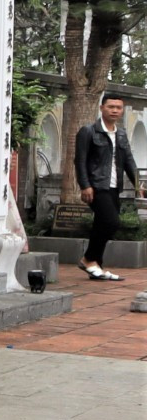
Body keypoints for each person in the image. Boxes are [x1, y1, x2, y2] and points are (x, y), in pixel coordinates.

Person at [73, 90, 138, 281]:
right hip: (96, 186)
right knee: (111, 222)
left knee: (102, 223)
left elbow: (129, 161)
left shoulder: (121, 134)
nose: (115, 110)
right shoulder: (88, 131)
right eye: (111, 106)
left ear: (122, 110)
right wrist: (85, 185)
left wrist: (138, 185)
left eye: (118, 107)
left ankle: (97, 266)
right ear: (102, 108)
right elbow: (80, 161)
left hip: (113, 187)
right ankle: (88, 259)